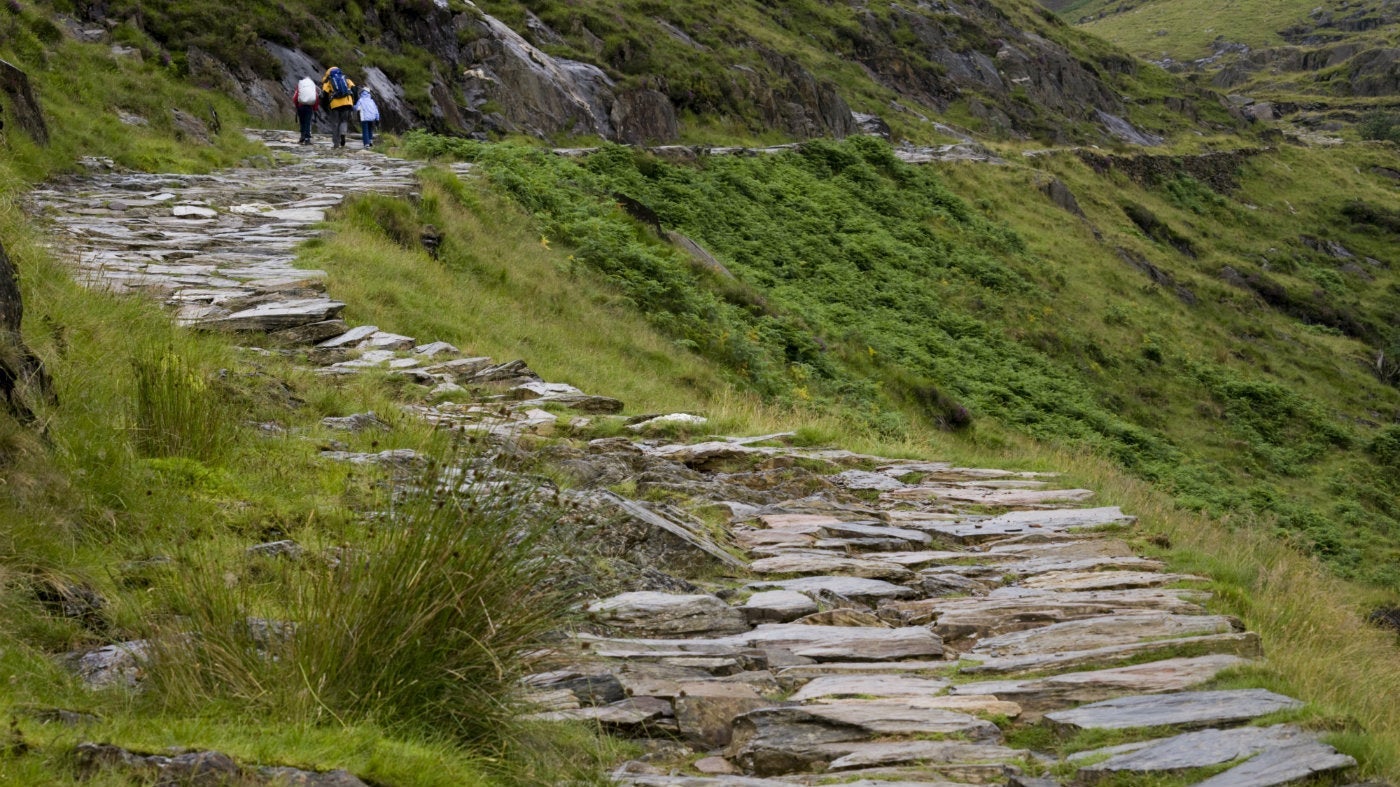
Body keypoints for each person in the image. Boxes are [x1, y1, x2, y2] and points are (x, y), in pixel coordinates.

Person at [319, 66, 357, 148]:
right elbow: (354, 89)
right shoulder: (346, 79)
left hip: (335, 104)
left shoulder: (329, 82)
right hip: (347, 102)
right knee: (344, 121)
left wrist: (325, 105)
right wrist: (354, 101)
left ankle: (336, 143)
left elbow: (324, 94)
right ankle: (343, 134)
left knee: (335, 123)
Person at [292, 75, 318, 145]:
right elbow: (316, 97)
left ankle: (302, 137)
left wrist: (297, 106)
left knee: (302, 122)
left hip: (300, 106)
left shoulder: (300, 85)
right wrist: (315, 109)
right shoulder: (312, 86)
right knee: (307, 122)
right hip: (309, 107)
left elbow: (295, 97)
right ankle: (307, 139)